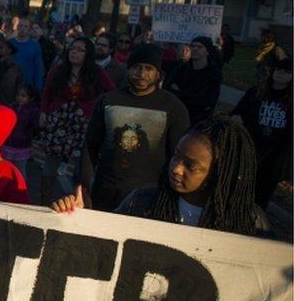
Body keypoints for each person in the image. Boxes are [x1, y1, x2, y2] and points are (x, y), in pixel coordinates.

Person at [52, 117, 275, 239]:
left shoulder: (252, 222)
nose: (176, 169)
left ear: (221, 173)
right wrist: (83, 219)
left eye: (191, 166)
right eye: (176, 156)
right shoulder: (141, 202)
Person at [81, 44, 191, 212]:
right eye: (136, 67)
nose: (142, 74)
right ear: (127, 69)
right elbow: (90, 146)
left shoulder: (173, 107)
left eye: (148, 68)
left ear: (158, 74)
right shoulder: (108, 101)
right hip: (105, 193)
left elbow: (178, 155)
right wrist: (82, 185)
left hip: (150, 196)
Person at [37, 36, 114, 203]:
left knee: (80, 164)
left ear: (88, 54)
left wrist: (99, 112)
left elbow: (111, 92)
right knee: (51, 162)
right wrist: (43, 112)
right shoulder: (58, 70)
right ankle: (44, 200)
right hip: (58, 121)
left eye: (80, 50)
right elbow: (47, 92)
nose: (75, 52)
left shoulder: (97, 72)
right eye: (72, 48)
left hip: (82, 123)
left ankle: (78, 200)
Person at [230, 57, 292, 209]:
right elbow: (236, 113)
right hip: (250, 150)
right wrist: (236, 119)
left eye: (286, 71)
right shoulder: (256, 93)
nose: (280, 74)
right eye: (278, 70)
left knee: (260, 200)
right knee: (238, 192)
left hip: (274, 157)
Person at [166, 36, 222, 125]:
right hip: (177, 116)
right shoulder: (182, 68)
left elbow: (205, 101)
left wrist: (180, 92)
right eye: (192, 46)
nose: (195, 49)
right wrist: (190, 94)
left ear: (207, 51)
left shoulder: (213, 73)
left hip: (200, 121)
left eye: (199, 47)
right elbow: (167, 88)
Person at [1, 84, 40, 183]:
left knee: (20, 170)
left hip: (22, 145)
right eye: (18, 95)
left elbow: (35, 127)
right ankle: (6, 187)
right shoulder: (11, 107)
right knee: (7, 167)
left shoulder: (33, 111)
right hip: (9, 143)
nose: (20, 98)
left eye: (23, 96)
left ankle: (20, 188)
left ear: (30, 98)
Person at [9, 18, 45, 92]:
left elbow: (38, 67)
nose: (22, 28)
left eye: (25, 26)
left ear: (29, 29)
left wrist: (38, 87)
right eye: (21, 26)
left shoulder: (35, 46)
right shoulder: (10, 43)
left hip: (28, 86)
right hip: (11, 84)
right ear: (17, 27)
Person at [0, 31, 24, 105]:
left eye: (1, 48)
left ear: (9, 50)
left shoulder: (16, 68)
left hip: (9, 102)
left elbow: (19, 87)